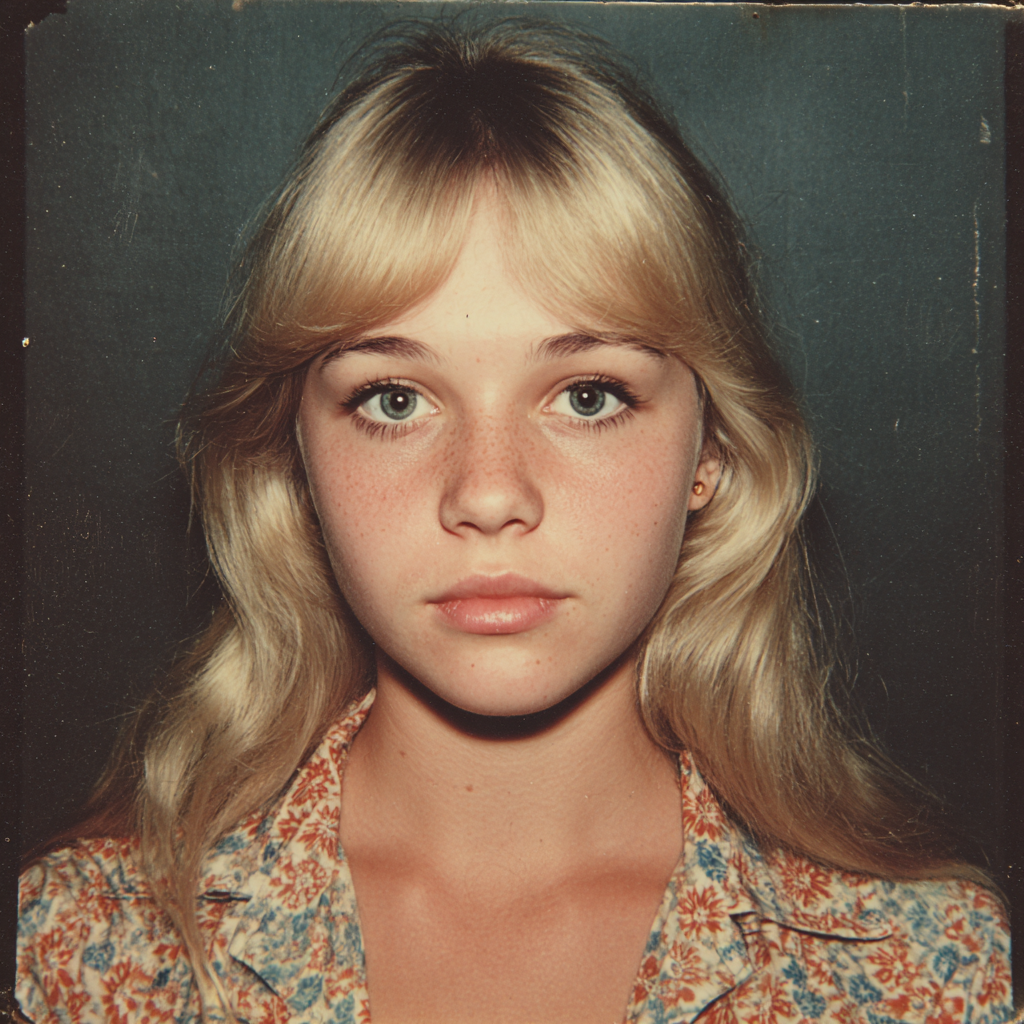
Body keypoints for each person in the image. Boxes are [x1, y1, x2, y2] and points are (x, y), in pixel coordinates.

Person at [15, 19, 1012, 1024]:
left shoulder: (927, 971)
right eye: (395, 399)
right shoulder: (85, 953)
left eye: (587, 395)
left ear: (712, 450)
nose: (488, 495)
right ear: (292, 462)